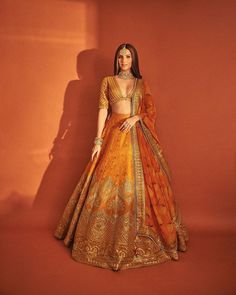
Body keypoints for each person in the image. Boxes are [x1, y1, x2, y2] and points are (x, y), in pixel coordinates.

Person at [54, 43, 189, 271]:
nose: (124, 60)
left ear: (133, 59)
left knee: (146, 188)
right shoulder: (107, 81)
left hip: (136, 135)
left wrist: (136, 118)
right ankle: (99, 239)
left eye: (127, 57)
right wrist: (97, 141)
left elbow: (150, 111)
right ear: (116, 60)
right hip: (113, 134)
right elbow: (102, 110)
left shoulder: (141, 83)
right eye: (120, 57)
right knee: (104, 184)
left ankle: (140, 235)